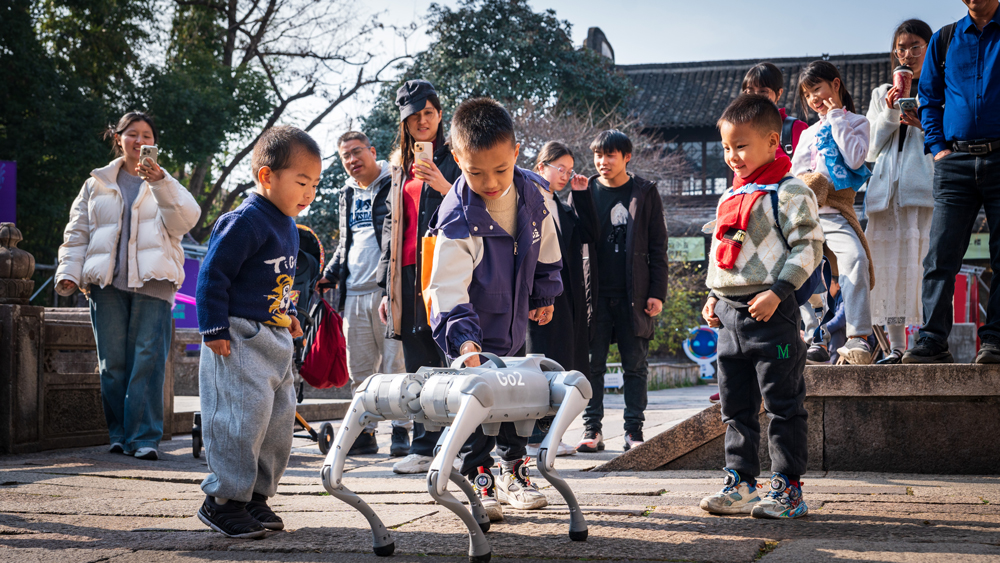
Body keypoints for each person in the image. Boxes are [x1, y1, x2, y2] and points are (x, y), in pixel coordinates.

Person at [424, 97, 563, 520]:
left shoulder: (536, 193)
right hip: (470, 323)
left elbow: (547, 246)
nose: (490, 181)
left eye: (500, 170)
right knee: (476, 399)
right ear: (456, 158)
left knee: (515, 397)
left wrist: (543, 293)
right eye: (474, 172)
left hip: (514, 315)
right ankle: (477, 475)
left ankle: (513, 470)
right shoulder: (456, 218)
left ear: (516, 153)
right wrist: (465, 343)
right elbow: (446, 287)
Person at [700, 94, 823, 519]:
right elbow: (720, 253)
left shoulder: (789, 191)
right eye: (727, 147)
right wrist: (714, 296)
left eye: (741, 146)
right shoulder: (730, 196)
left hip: (773, 311)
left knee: (783, 403)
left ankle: (788, 487)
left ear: (773, 142)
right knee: (734, 406)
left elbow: (809, 247)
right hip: (730, 318)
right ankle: (741, 481)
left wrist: (778, 292)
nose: (732, 156)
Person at [194, 126, 319, 538]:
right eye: (302, 182)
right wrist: (213, 327)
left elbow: (281, 280)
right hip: (240, 335)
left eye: (314, 184)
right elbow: (213, 275)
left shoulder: (288, 224)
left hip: (275, 334)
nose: (309, 193)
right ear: (267, 176)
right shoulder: (245, 220)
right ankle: (223, 499)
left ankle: (255, 497)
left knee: (277, 422)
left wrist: (291, 313)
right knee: (241, 418)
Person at [55, 112, 200, 461]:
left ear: (154, 142)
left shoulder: (165, 181)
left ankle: (145, 437)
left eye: (146, 134)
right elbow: (78, 233)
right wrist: (68, 272)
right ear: (117, 138)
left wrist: (161, 182)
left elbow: (187, 220)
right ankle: (119, 434)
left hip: (155, 281)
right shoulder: (96, 183)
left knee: (147, 361)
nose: (139, 140)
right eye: (131, 134)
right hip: (106, 284)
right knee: (112, 363)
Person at [905, 0, 1000, 364]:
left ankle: (996, 339)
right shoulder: (945, 39)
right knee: (941, 254)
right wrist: (938, 148)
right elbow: (929, 98)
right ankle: (931, 338)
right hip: (955, 160)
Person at [377, 80, 463, 473]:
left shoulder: (458, 157)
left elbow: (475, 208)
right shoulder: (398, 167)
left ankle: (461, 443)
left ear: (440, 114)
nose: (422, 120)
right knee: (418, 362)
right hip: (408, 276)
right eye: (414, 115)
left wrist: (444, 185)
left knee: (454, 356)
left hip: (447, 269)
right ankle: (424, 445)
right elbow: (391, 227)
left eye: (428, 112)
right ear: (405, 122)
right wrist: (385, 288)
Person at [577, 130, 668, 454]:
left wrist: (657, 291)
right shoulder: (584, 189)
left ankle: (634, 432)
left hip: (636, 295)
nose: (603, 162)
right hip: (595, 296)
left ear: (626, 157)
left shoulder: (644, 192)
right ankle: (592, 430)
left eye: (610, 155)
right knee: (592, 367)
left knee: (635, 366)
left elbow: (658, 245)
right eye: (599, 155)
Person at [317, 131, 407, 456]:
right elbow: (346, 241)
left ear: (372, 151)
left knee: (396, 367)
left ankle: (401, 431)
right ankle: (366, 432)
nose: (352, 160)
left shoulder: (393, 180)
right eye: (346, 157)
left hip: (387, 292)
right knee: (361, 370)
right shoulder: (347, 193)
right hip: (352, 293)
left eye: (357, 152)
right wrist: (329, 275)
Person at [790, 61, 874, 365]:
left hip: (838, 211)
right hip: (809, 214)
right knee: (800, 273)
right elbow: (795, 173)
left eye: (817, 89)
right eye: (807, 93)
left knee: (856, 259)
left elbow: (854, 160)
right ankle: (816, 337)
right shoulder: (807, 133)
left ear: (835, 85)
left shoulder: (858, 122)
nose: (813, 98)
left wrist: (836, 116)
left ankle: (858, 337)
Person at [865, 19, 936, 364]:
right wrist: (891, 111)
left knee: (923, 266)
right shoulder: (881, 93)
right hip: (885, 194)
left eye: (915, 47)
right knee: (887, 269)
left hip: (922, 191)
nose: (907, 54)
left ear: (930, 48)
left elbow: (948, 140)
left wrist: (924, 122)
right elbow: (870, 149)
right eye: (901, 48)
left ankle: (928, 339)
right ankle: (895, 345)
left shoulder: (940, 87)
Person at [524, 141, 599, 457]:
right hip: (538, 296)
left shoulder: (562, 206)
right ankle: (533, 436)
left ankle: (550, 433)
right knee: (540, 365)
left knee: (565, 364)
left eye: (569, 170)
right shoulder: (527, 201)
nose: (566, 175)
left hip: (568, 297)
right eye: (560, 169)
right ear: (541, 166)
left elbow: (590, 234)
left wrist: (582, 196)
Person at [742, 62, 809, 159]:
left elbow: (807, 170)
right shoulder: (741, 130)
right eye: (750, 92)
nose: (755, 96)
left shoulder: (795, 129)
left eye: (763, 91)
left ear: (779, 93)